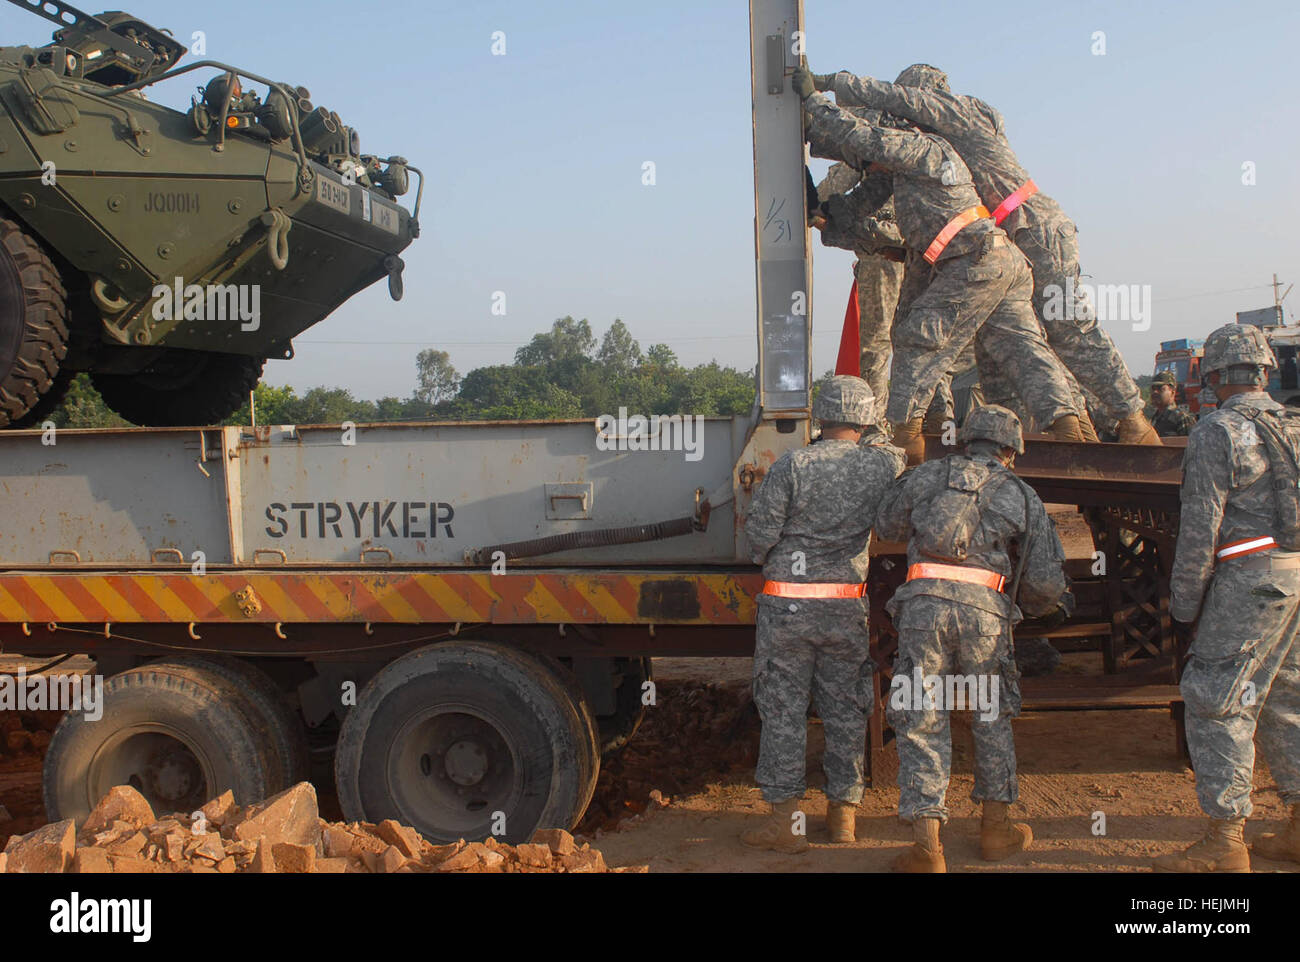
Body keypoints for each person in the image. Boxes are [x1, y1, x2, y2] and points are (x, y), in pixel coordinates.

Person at [811, 64, 1159, 446]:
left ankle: (1132, 422)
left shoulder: (963, 115)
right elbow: (868, 195)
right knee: (1003, 345)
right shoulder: (925, 146)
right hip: (993, 243)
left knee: (1066, 327)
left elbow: (890, 115)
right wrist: (827, 216)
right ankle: (1066, 434)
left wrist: (829, 85)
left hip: (1029, 227)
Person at [875, 405, 1072, 871]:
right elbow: (1045, 583)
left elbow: (885, 525)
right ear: (1011, 450)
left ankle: (927, 846)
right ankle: (996, 831)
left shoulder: (925, 477)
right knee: (991, 715)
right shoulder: (1022, 494)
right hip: (985, 617)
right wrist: (1034, 609)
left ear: (965, 440)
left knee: (921, 714)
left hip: (922, 611)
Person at [1156, 323, 1300, 871]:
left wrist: (1184, 607)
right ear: (1265, 370)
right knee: (1288, 697)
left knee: (1215, 701)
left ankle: (1225, 842)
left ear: (1210, 377)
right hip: (1295, 576)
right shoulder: (1295, 422)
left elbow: (1199, 530)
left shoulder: (1217, 430)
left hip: (1251, 578)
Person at [741, 375, 903, 852]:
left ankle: (783, 825)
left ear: (821, 415)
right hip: (843, 608)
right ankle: (843, 818)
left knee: (783, 711)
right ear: (866, 419)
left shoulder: (794, 464)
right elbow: (892, 450)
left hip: (788, 609)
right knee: (847, 711)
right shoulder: (881, 465)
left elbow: (760, 536)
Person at [1145, 370, 1196, 437]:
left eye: (1160, 388)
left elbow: (1189, 445)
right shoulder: (1154, 418)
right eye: (1153, 388)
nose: (1155, 392)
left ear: (1172, 392)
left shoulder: (1182, 418)